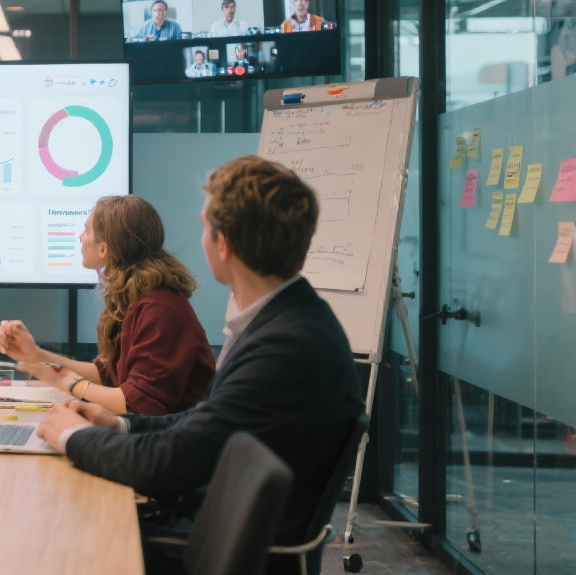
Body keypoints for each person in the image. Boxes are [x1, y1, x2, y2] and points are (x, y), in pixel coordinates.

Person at [34, 156, 363, 574]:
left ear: (223, 244)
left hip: (215, 549)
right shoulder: (291, 323)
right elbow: (204, 423)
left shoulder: (284, 348)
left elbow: (171, 462)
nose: (203, 239)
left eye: (206, 229)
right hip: (222, 529)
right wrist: (117, 424)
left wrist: (71, 438)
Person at [0, 195, 214, 416]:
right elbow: (108, 376)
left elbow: (138, 404)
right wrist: (36, 354)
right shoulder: (134, 298)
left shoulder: (160, 309)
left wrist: (67, 382)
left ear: (103, 249)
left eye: (86, 231)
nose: (80, 239)